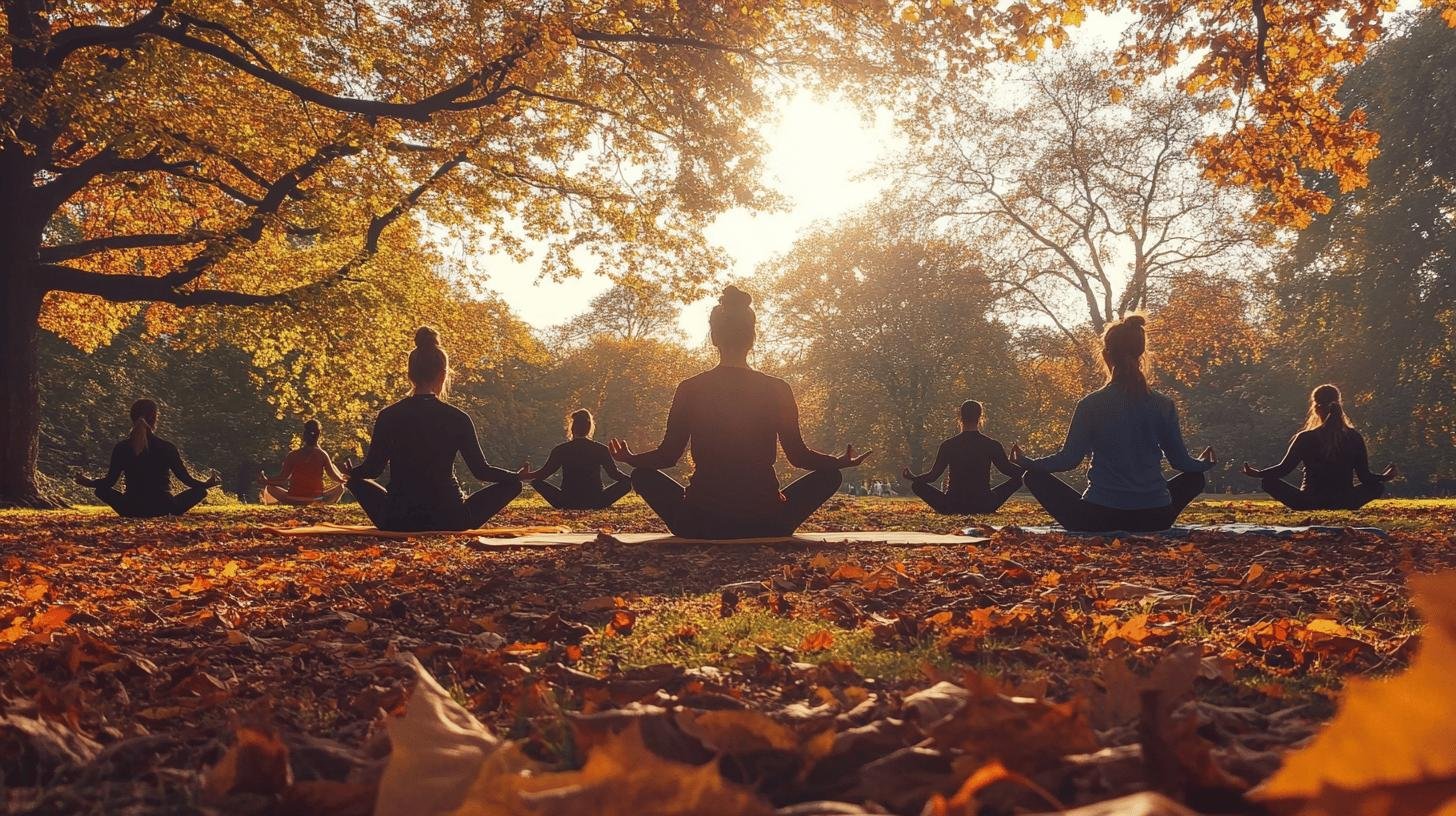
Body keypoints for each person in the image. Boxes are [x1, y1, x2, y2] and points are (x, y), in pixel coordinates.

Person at [608, 285, 869, 539]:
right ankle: (765, 513)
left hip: (700, 521)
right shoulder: (778, 389)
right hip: (767, 520)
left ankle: (705, 514)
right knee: (830, 476)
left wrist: (632, 459)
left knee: (642, 476)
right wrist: (837, 463)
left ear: (714, 338)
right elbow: (798, 457)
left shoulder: (690, 388)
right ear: (752, 338)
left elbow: (668, 456)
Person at [1011, 315, 1214, 532]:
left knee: (1033, 477)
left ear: (1106, 356)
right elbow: (1180, 461)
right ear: (1141, 354)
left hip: (1099, 517)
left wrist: (1028, 463)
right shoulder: (1163, 404)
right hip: (1155, 516)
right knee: (1195, 478)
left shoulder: (1091, 404)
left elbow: (1068, 459)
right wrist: (1203, 464)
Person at [344, 327, 522, 531]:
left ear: (410, 373)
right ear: (443, 374)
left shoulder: (389, 415)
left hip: (398, 518)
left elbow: (372, 470)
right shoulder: (458, 418)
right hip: (450, 517)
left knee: (354, 482)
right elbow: (481, 471)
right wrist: (515, 476)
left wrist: (351, 473)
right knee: (514, 486)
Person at [1241, 384, 1398, 510]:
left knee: (1268, 482)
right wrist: (1384, 477)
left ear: (1315, 408)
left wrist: (1259, 474)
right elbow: (1365, 477)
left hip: (1309, 501)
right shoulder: (1354, 437)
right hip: (1345, 501)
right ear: (1339, 406)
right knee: (1376, 487)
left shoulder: (1305, 437)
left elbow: (1284, 469)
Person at [74, 398, 221, 517]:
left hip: (131, 508)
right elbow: (185, 479)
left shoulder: (122, 447)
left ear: (132, 417)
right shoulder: (166, 446)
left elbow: (109, 482)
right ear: (154, 417)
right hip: (165, 507)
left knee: (100, 490)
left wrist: (90, 482)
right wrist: (206, 484)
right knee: (200, 491)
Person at [903, 400, 1024, 515]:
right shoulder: (991, 445)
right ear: (980, 417)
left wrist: (914, 478)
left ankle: (948, 506)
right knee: (1018, 481)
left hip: (953, 504)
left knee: (917, 485)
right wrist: (1022, 464)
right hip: (984, 503)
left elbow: (933, 476)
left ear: (960, 417)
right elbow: (1010, 471)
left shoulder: (948, 445)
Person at [521, 409, 632, 510]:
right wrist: (632, 479)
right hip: (596, 500)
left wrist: (526, 475)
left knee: (536, 482)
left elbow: (543, 474)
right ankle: (596, 504)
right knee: (626, 484)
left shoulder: (561, 450)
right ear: (589, 429)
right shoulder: (601, 449)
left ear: (572, 429)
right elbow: (614, 474)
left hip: (567, 500)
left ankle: (564, 505)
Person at [257, 419, 349, 505]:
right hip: (315, 499)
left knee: (270, 488)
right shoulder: (322, 454)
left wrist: (266, 481)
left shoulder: (293, 454)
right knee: (340, 488)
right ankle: (321, 502)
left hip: (293, 498)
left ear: (304, 435)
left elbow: (283, 477)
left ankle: (289, 501)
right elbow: (333, 476)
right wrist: (345, 480)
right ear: (318, 436)